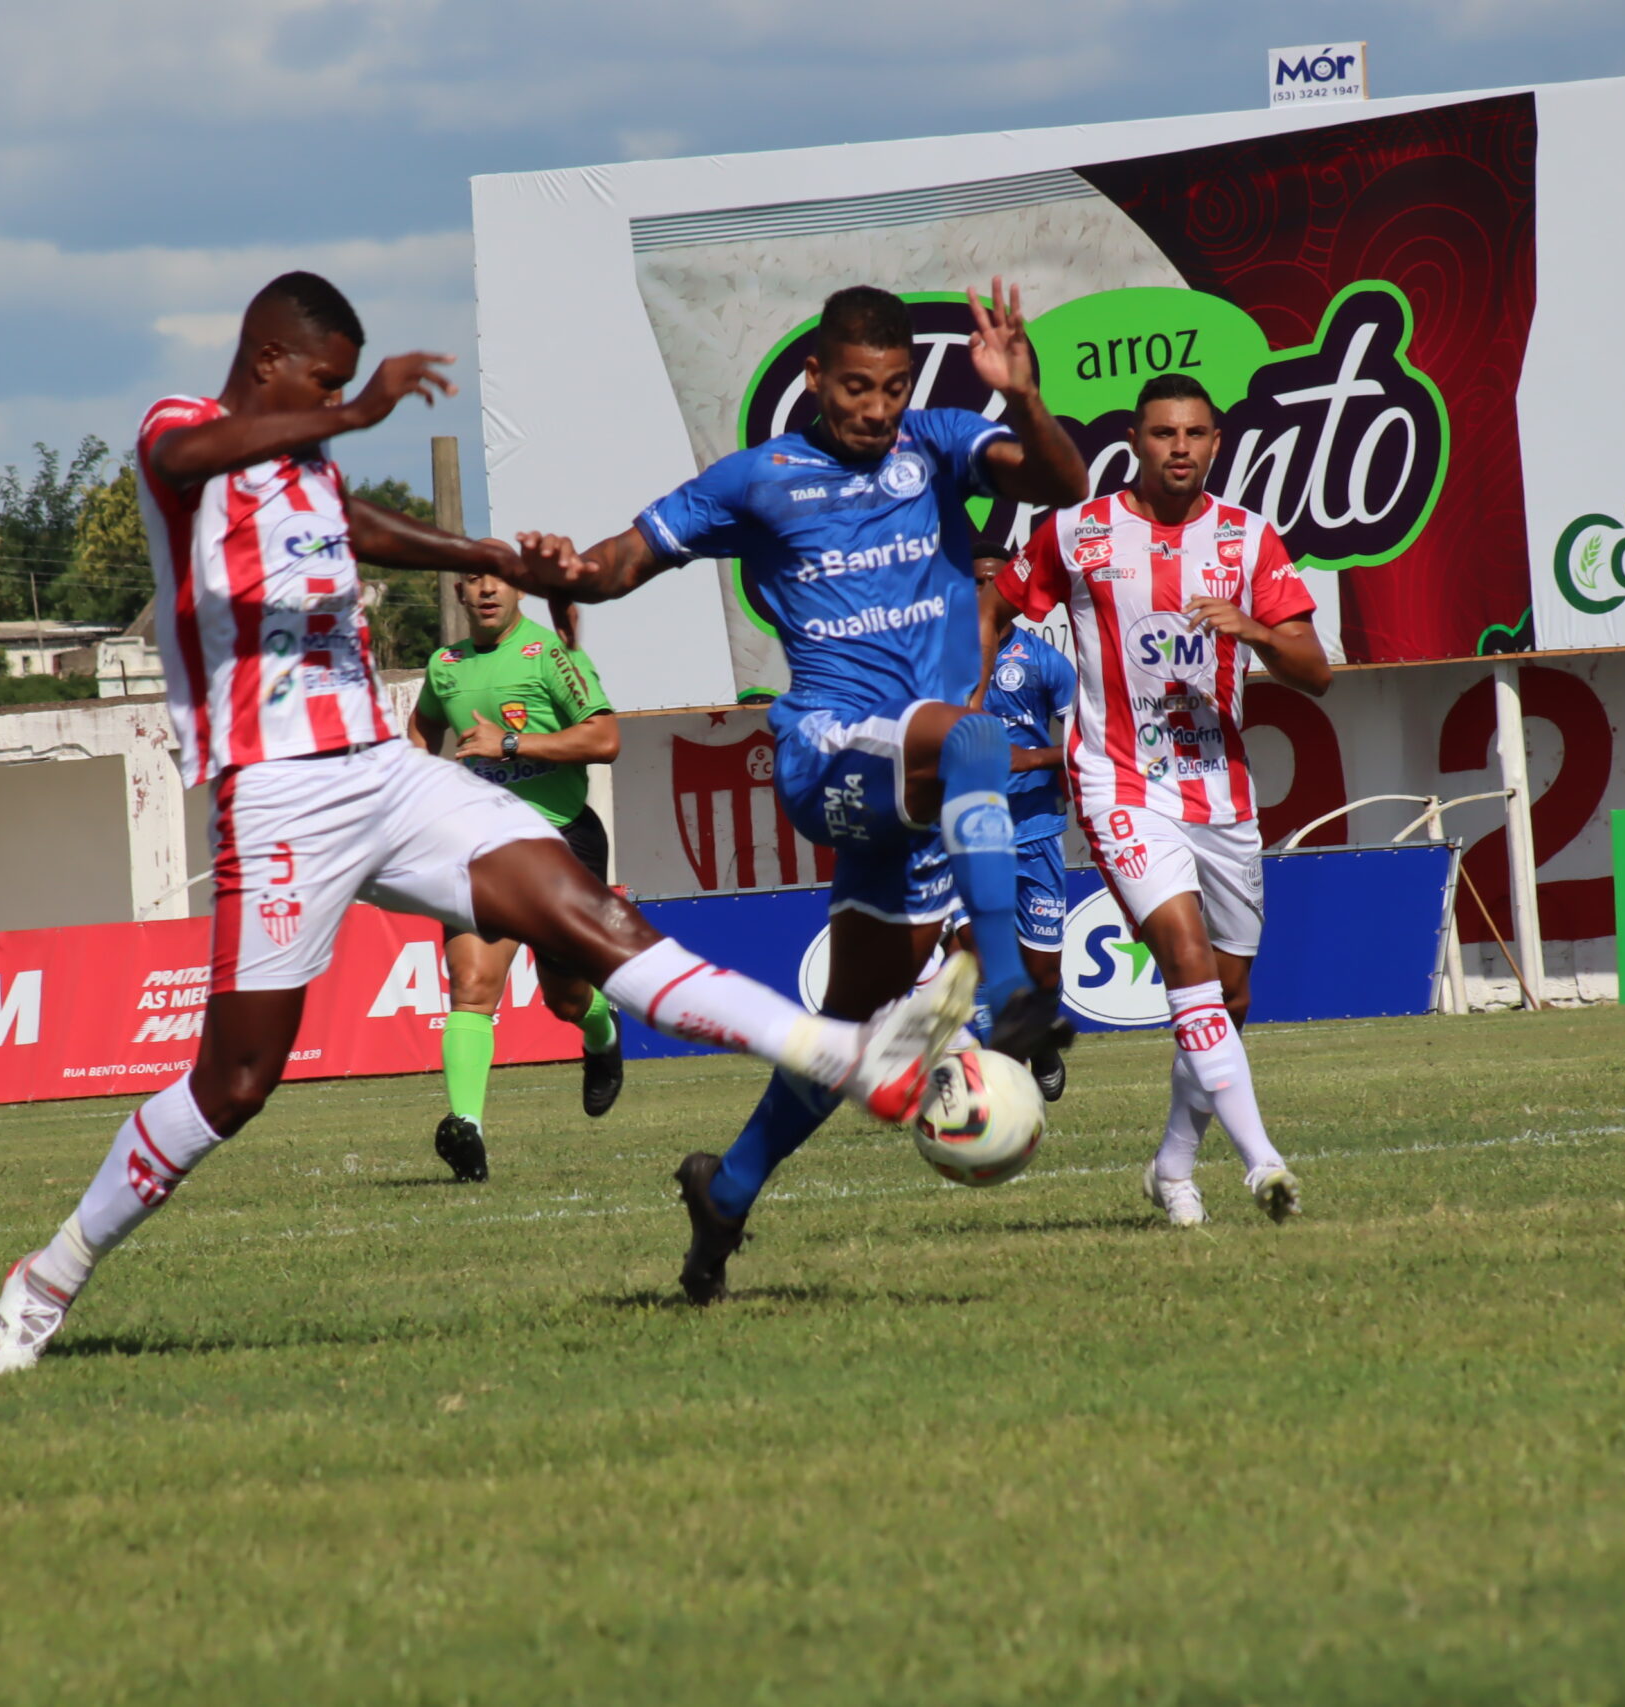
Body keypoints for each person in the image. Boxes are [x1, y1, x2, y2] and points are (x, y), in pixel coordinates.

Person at [0, 272, 977, 1373]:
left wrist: (483, 555)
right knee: (236, 1084)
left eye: (343, 390)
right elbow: (186, 465)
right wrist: (356, 415)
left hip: (384, 771)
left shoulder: (301, 458)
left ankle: (833, 1049)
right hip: (276, 791)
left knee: (585, 914)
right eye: (323, 380)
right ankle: (49, 1275)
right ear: (268, 363)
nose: (337, 400)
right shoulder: (183, 433)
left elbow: (349, 523)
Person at [502, 280, 1089, 1302]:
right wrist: (566, 568)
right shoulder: (757, 481)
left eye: (894, 388)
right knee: (979, 740)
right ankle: (1004, 990)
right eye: (855, 387)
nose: (875, 409)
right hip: (828, 754)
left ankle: (723, 1197)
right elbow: (620, 562)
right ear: (813, 377)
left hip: (910, 787)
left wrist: (1025, 398)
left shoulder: (941, 444)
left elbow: (1061, 479)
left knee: (856, 1026)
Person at [984, 371, 1332, 1230]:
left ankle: (1172, 1165)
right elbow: (991, 603)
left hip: (1221, 792)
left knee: (1232, 995)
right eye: (1163, 433)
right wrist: (959, 697)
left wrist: (1254, 630)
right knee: (1184, 959)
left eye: (1195, 434)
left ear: (1216, 445)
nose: (1179, 447)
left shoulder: (1250, 540)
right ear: (1135, 442)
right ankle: (1265, 1164)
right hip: (1120, 784)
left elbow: (1316, 669)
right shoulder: (1079, 532)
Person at [409, 573, 625, 1180]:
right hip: (478, 846)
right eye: (472, 580)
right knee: (472, 982)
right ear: (458, 595)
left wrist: (510, 742)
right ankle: (467, 1134)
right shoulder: (444, 665)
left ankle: (602, 1032)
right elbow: (424, 727)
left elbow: (606, 738)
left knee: (564, 998)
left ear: (518, 590)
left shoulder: (551, 653)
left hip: (558, 840)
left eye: (497, 579)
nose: (485, 590)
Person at [963, 553, 1079, 1101]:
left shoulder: (1044, 662)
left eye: (996, 579)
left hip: (1034, 832)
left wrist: (1028, 759)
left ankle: (1041, 1043)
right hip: (965, 834)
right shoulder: (945, 660)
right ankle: (999, 1087)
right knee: (978, 962)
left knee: (1043, 975)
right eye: (978, 580)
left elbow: (1095, 742)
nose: (989, 588)